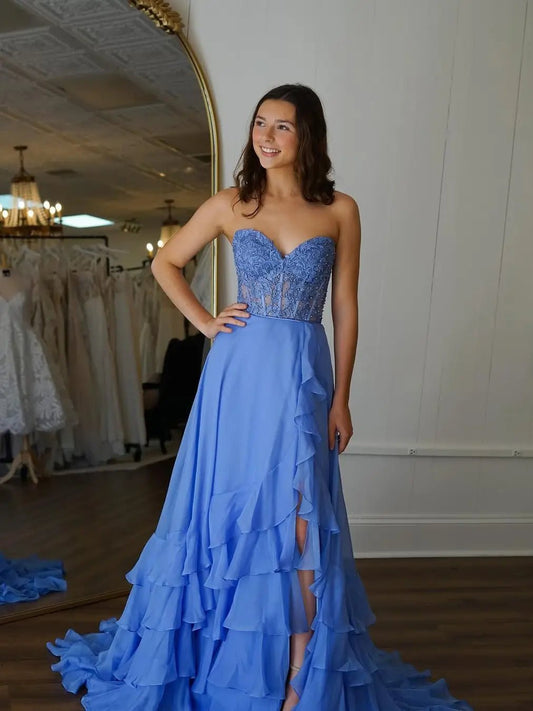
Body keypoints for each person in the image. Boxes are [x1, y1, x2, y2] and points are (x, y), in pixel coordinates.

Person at [47, 84, 474, 711]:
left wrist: (342, 398)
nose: (266, 137)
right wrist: (206, 322)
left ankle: (300, 672)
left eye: (283, 126)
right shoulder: (230, 203)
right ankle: (225, 651)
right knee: (231, 513)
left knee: (300, 521)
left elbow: (346, 307)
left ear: (308, 136)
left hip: (302, 374)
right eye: (259, 123)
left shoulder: (340, 210)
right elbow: (166, 263)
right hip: (238, 377)